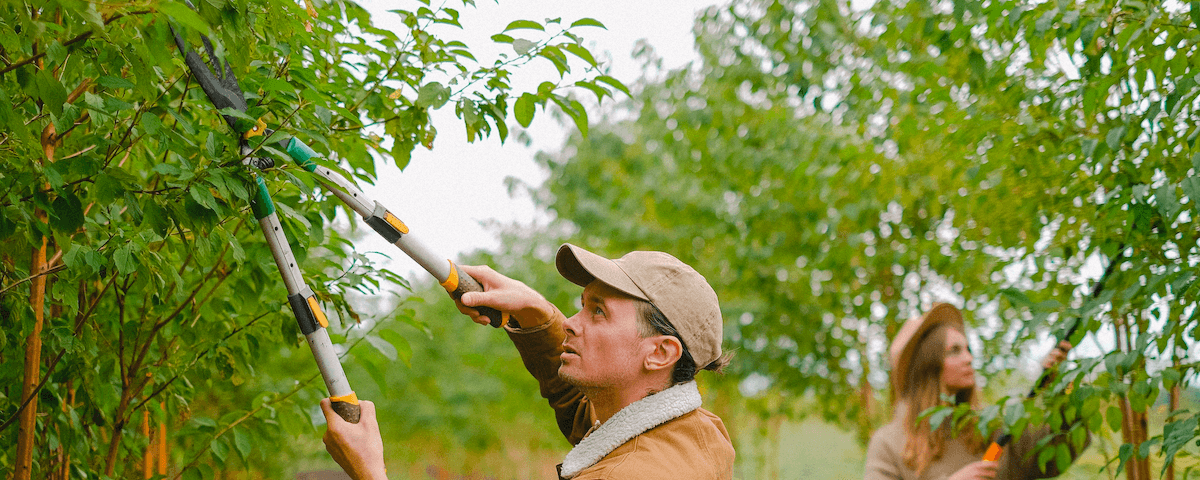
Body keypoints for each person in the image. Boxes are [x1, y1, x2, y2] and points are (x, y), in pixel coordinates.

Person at [320, 243, 736, 479]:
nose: (573, 323)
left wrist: (370, 472)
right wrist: (537, 315)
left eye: (598, 312)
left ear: (660, 352)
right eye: (580, 306)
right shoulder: (696, 433)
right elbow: (593, 422)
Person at [863, 303, 1087, 480]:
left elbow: (1055, 455)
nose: (969, 359)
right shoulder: (889, 443)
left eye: (968, 350)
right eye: (955, 351)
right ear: (927, 365)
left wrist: (1061, 388)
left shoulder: (992, 427)